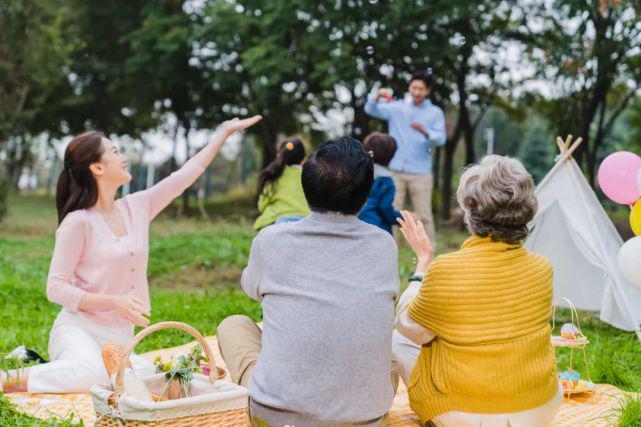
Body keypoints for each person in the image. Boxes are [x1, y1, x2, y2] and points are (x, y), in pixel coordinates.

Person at [0, 116, 262, 393]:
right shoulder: (78, 222)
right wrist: (114, 302)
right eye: (114, 151)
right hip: (78, 330)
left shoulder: (136, 207)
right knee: (92, 373)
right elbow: (55, 288)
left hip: (119, 341)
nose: (123, 157)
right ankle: (7, 378)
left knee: (156, 378)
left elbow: (186, 175)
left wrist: (222, 133)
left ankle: (36, 362)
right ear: (97, 167)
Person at [217, 137, 399, 426]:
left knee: (233, 325)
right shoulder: (384, 245)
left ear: (306, 188)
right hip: (366, 419)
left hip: (275, 418)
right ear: (365, 199)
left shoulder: (271, 240)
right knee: (389, 349)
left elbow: (252, 288)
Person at [393, 155, 562, 426]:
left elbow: (410, 328)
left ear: (470, 210)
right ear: (527, 209)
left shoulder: (446, 269)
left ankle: (372, 416)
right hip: (539, 408)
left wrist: (423, 262)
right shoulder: (542, 267)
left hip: (466, 415)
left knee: (397, 338)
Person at [364, 68, 446, 243]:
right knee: (392, 214)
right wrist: (377, 95)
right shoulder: (397, 108)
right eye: (414, 87)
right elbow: (371, 109)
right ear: (410, 87)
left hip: (421, 172)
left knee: (424, 215)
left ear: (428, 91)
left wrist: (425, 131)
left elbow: (441, 139)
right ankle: (390, 249)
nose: (416, 92)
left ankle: (429, 256)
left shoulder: (435, 113)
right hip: (396, 171)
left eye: (421, 89)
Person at [254, 137, 310, 231]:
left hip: (278, 222)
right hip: (305, 222)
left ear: (279, 155)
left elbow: (262, 205)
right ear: (303, 159)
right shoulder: (309, 176)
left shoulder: (275, 175)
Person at [358, 132, 402, 234]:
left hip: (355, 225)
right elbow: (385, 208)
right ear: (391, 156)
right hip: (377, 229)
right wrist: (401, 218)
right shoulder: (386, 180)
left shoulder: (356, 174)